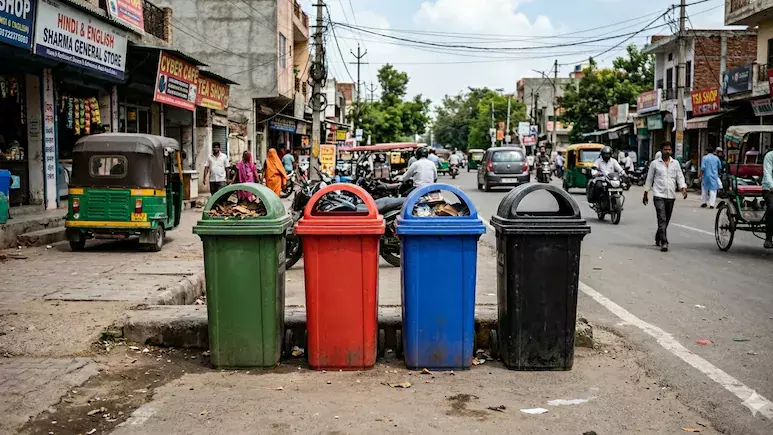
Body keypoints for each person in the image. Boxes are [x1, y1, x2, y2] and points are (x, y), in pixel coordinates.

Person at [643, 142, 687, 252]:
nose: (667, 152)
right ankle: (664, 242)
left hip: (671, 195)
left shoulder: (675, 163)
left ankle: (658, 236)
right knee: (661, 218)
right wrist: (646, 192)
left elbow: (680, 176)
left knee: (666, 219)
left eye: (669, 150)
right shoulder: (655, 164)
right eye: (665, 149)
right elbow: (649, 178)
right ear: (661, 150)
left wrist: (683, 188)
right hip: (658, 194)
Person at [762, 148, 773, 249]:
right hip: (768, 188)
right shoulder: (770, 155)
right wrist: (771, 185)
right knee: (772, 208)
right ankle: (768, 238)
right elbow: (767, 172)